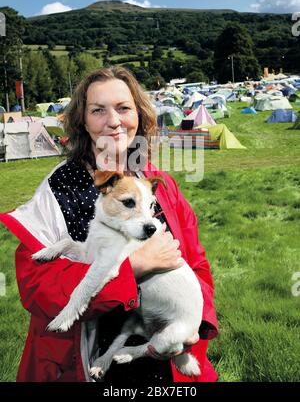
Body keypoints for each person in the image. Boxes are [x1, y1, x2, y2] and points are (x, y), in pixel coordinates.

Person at [0, 66, 218, 383]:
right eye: (98, 110)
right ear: (83, 121)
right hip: (81, 361)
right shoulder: (58, 191)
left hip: (162, 362)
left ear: (139, 117)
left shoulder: (160, 185)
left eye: (123, 108)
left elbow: (196, 262)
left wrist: (190, 324)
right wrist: (132, 269)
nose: (113, 122)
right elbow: (36, 287)